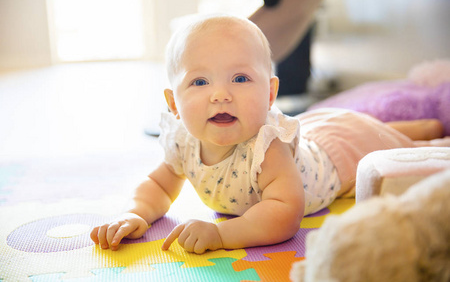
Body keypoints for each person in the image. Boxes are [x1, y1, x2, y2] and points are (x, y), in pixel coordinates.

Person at [90, 14, 444, 254]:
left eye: (240, 78)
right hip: (324, 133)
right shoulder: (183, 140)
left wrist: (222, 235)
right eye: (199, 81)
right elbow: (159, 185)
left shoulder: (267, 148)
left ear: (270, 94)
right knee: (380, 131)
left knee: (402, 149)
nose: (220, 94)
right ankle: (416, 128)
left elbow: (284, 212)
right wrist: (135, 213)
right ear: (174, 104)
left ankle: (429, 133)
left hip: (340, 156)